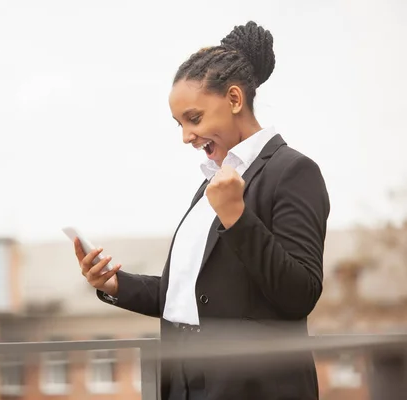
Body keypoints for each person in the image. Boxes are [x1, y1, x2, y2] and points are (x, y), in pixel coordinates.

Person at [74, 21, 329, 400]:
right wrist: (113, 283)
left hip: (252, 388)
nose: (185, 137)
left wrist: (237, 217)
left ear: (234, 100)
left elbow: (299, 294)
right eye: (179, 124)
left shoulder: (292, 171)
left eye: (194, 119)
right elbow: (192, 296)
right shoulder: (212, 183)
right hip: (183, 380)